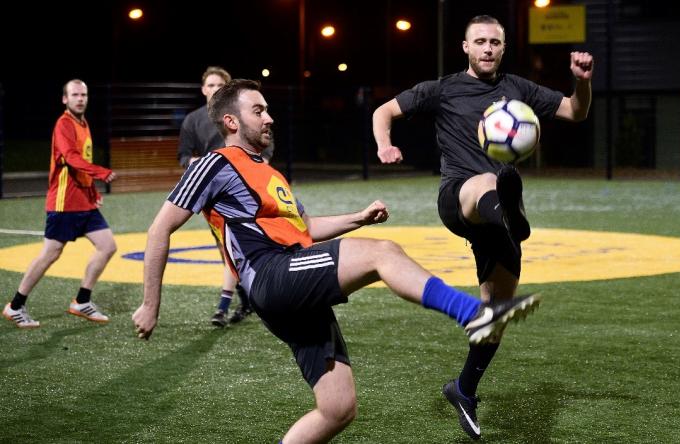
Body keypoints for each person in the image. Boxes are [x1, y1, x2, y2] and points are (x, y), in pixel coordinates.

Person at [132, 79, 540, 443]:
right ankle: (473, 313)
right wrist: (151, 304)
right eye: (258, 110)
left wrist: (357, 219)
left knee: (338, 408)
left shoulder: (268, 172)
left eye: (268, 109)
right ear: (231, 122)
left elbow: (306, 225)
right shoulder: (214, 164)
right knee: (382, 253)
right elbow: (159, 229)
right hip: (271, 276)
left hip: (293, 280)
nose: (269, 117)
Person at [372, 15, 593, 439]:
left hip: (499, 221)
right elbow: (385, 110)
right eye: (480, 41)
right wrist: (385, 143)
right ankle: (506, 208)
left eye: (495, 42)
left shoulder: (518, 89)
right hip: (460, 197)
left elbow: (574, 110)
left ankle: (464, 388)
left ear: (503, 48)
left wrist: (581, 81)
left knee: (494, 317)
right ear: (466, 47)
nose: (488, 48)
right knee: (490, 182)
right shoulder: (443, 88)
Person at [3, 79, 117, 329]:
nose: (80, 98)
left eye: (83, 94)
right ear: (65, 99)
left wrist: (92, 191)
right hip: (64, 204)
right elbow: (72, 159)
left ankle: (81, 301)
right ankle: (15, 306)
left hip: (84, 203)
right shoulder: (64, 124)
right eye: (75, 94)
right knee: (50, 253)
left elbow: (80, 164)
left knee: (107, 246)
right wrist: (99, 172)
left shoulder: (83, 124)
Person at [177, 66, 253, 326]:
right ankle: (247, 300)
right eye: (209, 85)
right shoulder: (192, 120)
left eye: (219, 85)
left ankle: (222, 307)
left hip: (240, 191)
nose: (213, 90)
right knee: (229, 251)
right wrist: (199, 162)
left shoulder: (238, 117)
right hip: (210, 196)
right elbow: (183, 157)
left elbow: (261, 147)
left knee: (234, 248)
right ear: (202, 89)